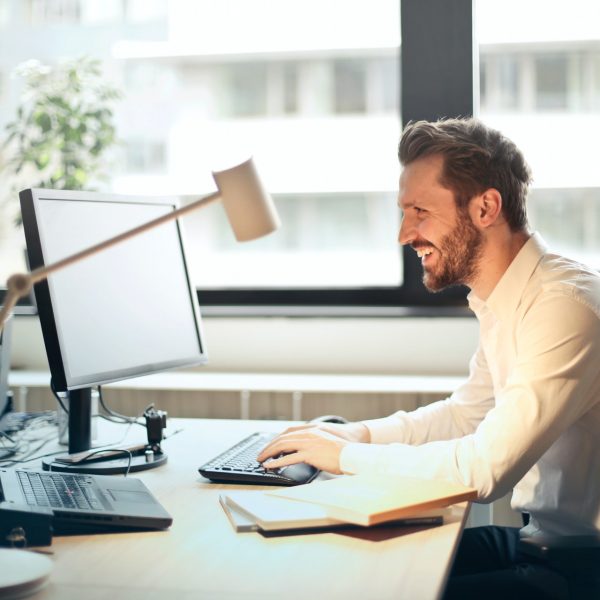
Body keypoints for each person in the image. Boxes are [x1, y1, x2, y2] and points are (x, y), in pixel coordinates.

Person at [257, 118, 600, 598]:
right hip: (538, 542)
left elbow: (484, 471)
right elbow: (466, 416)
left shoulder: (564, 307)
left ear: (486, 207)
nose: (403, 234)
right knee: (351, 563)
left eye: (419, 211)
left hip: (582, 567)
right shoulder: (507, 298)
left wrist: (344, 456)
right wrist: (355, 434)